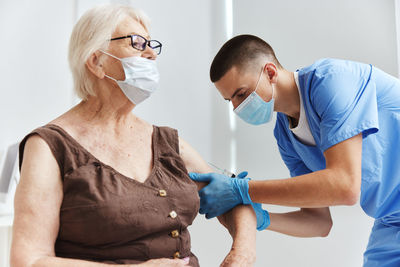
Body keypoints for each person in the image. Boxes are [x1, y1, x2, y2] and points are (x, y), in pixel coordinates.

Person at [10, 6, 257, 267]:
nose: (151, 54)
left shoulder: (165, 142)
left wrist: (242, 252)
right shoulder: (49, 147)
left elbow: (232, 198)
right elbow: (28, 260)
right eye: (137, 43)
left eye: (151, 44)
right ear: (96, 61)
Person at [189, 34, 400, 267]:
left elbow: (345, 186)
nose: (238, 107)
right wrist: (264, 219)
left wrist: (242, 189)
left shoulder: (332, 81)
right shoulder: (286, 135)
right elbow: (319, 222)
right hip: (391, 222)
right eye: (230, 100)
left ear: (270, 72)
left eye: (241, 94)